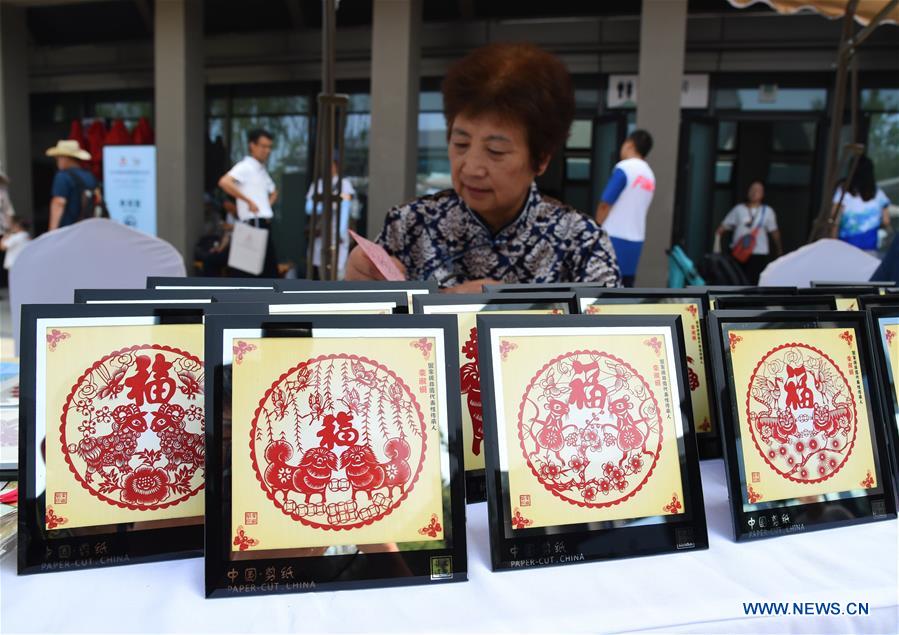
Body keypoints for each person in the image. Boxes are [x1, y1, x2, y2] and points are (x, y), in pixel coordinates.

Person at [345, 42, 620, 291]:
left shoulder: (581, 242)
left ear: (541, 159)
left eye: (495, 150)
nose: (472, 168)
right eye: (461, 143)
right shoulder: (409, 226)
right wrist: (356, 289)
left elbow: (610, 340)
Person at [595, 129, 655, 287]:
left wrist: (596, 230)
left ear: (629, 144)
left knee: (603, 285)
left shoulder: (625, 168)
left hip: (613, 236)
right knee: (626, 287)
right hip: (636, 238)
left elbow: (605, 203)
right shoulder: (650, 175)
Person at [217, 129, 278, 277]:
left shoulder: (261, 170)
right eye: (263, 146)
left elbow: (275, 191)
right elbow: (224, 182)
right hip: (251, 224)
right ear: (252, 145)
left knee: (267, 272)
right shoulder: (246, 166)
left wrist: (265, 206)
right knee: (247, 273)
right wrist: (248, 201)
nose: (267, 151)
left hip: (263, 222)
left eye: (269, 147)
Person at [715, 181, 783, 284]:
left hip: (759, 253)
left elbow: (774, 231)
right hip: (739, 252)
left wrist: (779, 250)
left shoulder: (768, 211)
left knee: (755, 282)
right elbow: (723, 227)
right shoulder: (738, 209)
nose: (754, 192)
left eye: (758, 190)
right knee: (737, 281)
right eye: (752, 190)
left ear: (763, 194)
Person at [306, 158, 356, 278]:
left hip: (338, 236)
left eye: (331, 165)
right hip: (321, 235)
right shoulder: (317, 185)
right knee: (323, 272)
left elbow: (346, 208)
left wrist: (341, 233)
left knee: (338, 272)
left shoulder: (344, 184)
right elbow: (308, 208)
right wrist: (325, 205)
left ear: (336, 166)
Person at [831, 156, 892, 253]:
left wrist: (832, 244)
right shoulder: (878, 194)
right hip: (869, 247)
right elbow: (886, 221)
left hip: (845, 246)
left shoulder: (843, 191)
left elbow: (834, 220)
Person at [45, 139, 97, 231]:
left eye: (58, 157)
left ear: (66, 158)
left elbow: (59, 203)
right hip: (87, 228)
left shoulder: (62, 176)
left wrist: (52, 231)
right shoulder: (89, 176)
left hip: (68, 230)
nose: (57, 161)